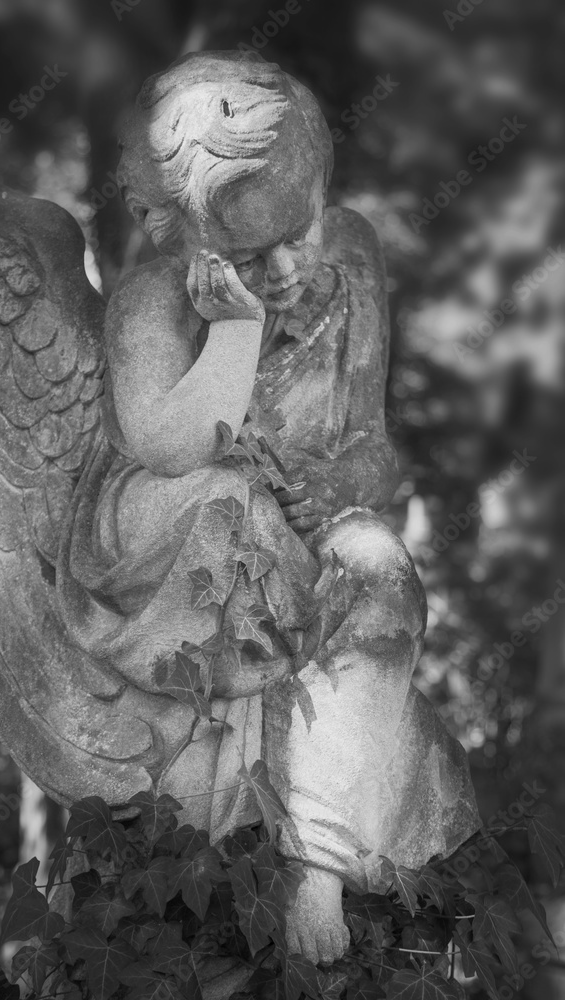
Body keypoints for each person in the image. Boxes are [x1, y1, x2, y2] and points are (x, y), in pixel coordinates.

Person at [57, 51, 479, 963]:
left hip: (302, 520)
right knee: (227, 507)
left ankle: (317, 860)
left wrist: (344, 486)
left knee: (373, 562)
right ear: (182, 239)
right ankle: (262, 834)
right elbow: (174, 447)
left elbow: (370, 447)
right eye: (250, 255)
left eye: (304, 228)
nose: (287, 269)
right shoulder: (149, 302)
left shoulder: (353, 262)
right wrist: (238, 327)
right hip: (168, 529)